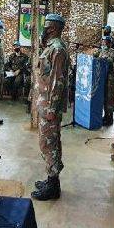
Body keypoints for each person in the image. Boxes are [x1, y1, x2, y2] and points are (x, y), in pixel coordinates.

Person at [31, 13, 69, 202]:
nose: (43, 28)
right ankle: (51, 179)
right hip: (44, 104)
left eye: (46, 25)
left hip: (49, 107)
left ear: (53, 28)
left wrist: (52, 108)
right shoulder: (50, 47)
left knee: (49, 143)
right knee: (48, 143)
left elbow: (56, 81)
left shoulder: (57, 50)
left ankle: (53, 186)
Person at [94, 35, 114, 126]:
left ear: (109, 43)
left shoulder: (112, 51)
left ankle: (110, 118)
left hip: (110, 78)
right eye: (103, 41)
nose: (104, 43)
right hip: (102, 77)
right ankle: (105, 116)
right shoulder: (100, 50)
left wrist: (102, 57)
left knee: (109, 98)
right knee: (104, 97)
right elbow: (94, 56)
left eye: (106, 42)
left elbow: (110, 60)